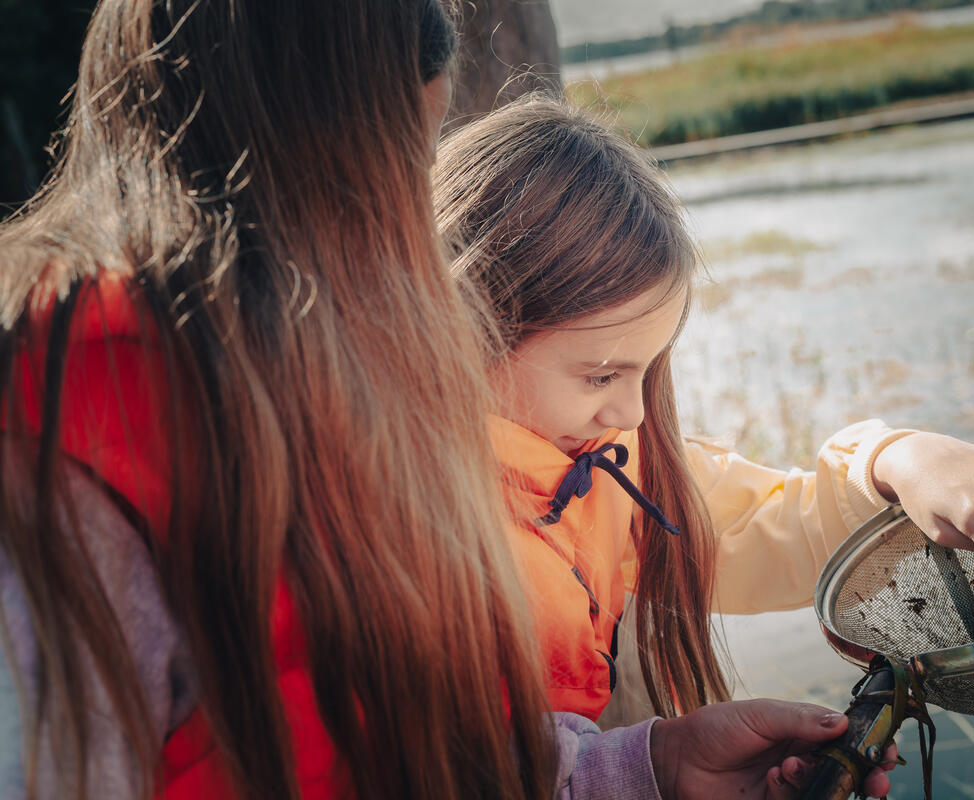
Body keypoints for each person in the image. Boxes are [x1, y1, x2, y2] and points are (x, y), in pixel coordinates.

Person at [0, 2, 896, 799]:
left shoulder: (328, 403)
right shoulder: (62, 443)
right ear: (295, 165)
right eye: (397, 171)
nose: (417, 233)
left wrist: (647, 769)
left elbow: (407, 744)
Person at [433, 97, 974, 725]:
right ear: (465, 328)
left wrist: (899, 461)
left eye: (647, 371)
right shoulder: (399, 539)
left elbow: (772, 526)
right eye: (600, 376)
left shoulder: (611, 464)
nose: (633, 411)